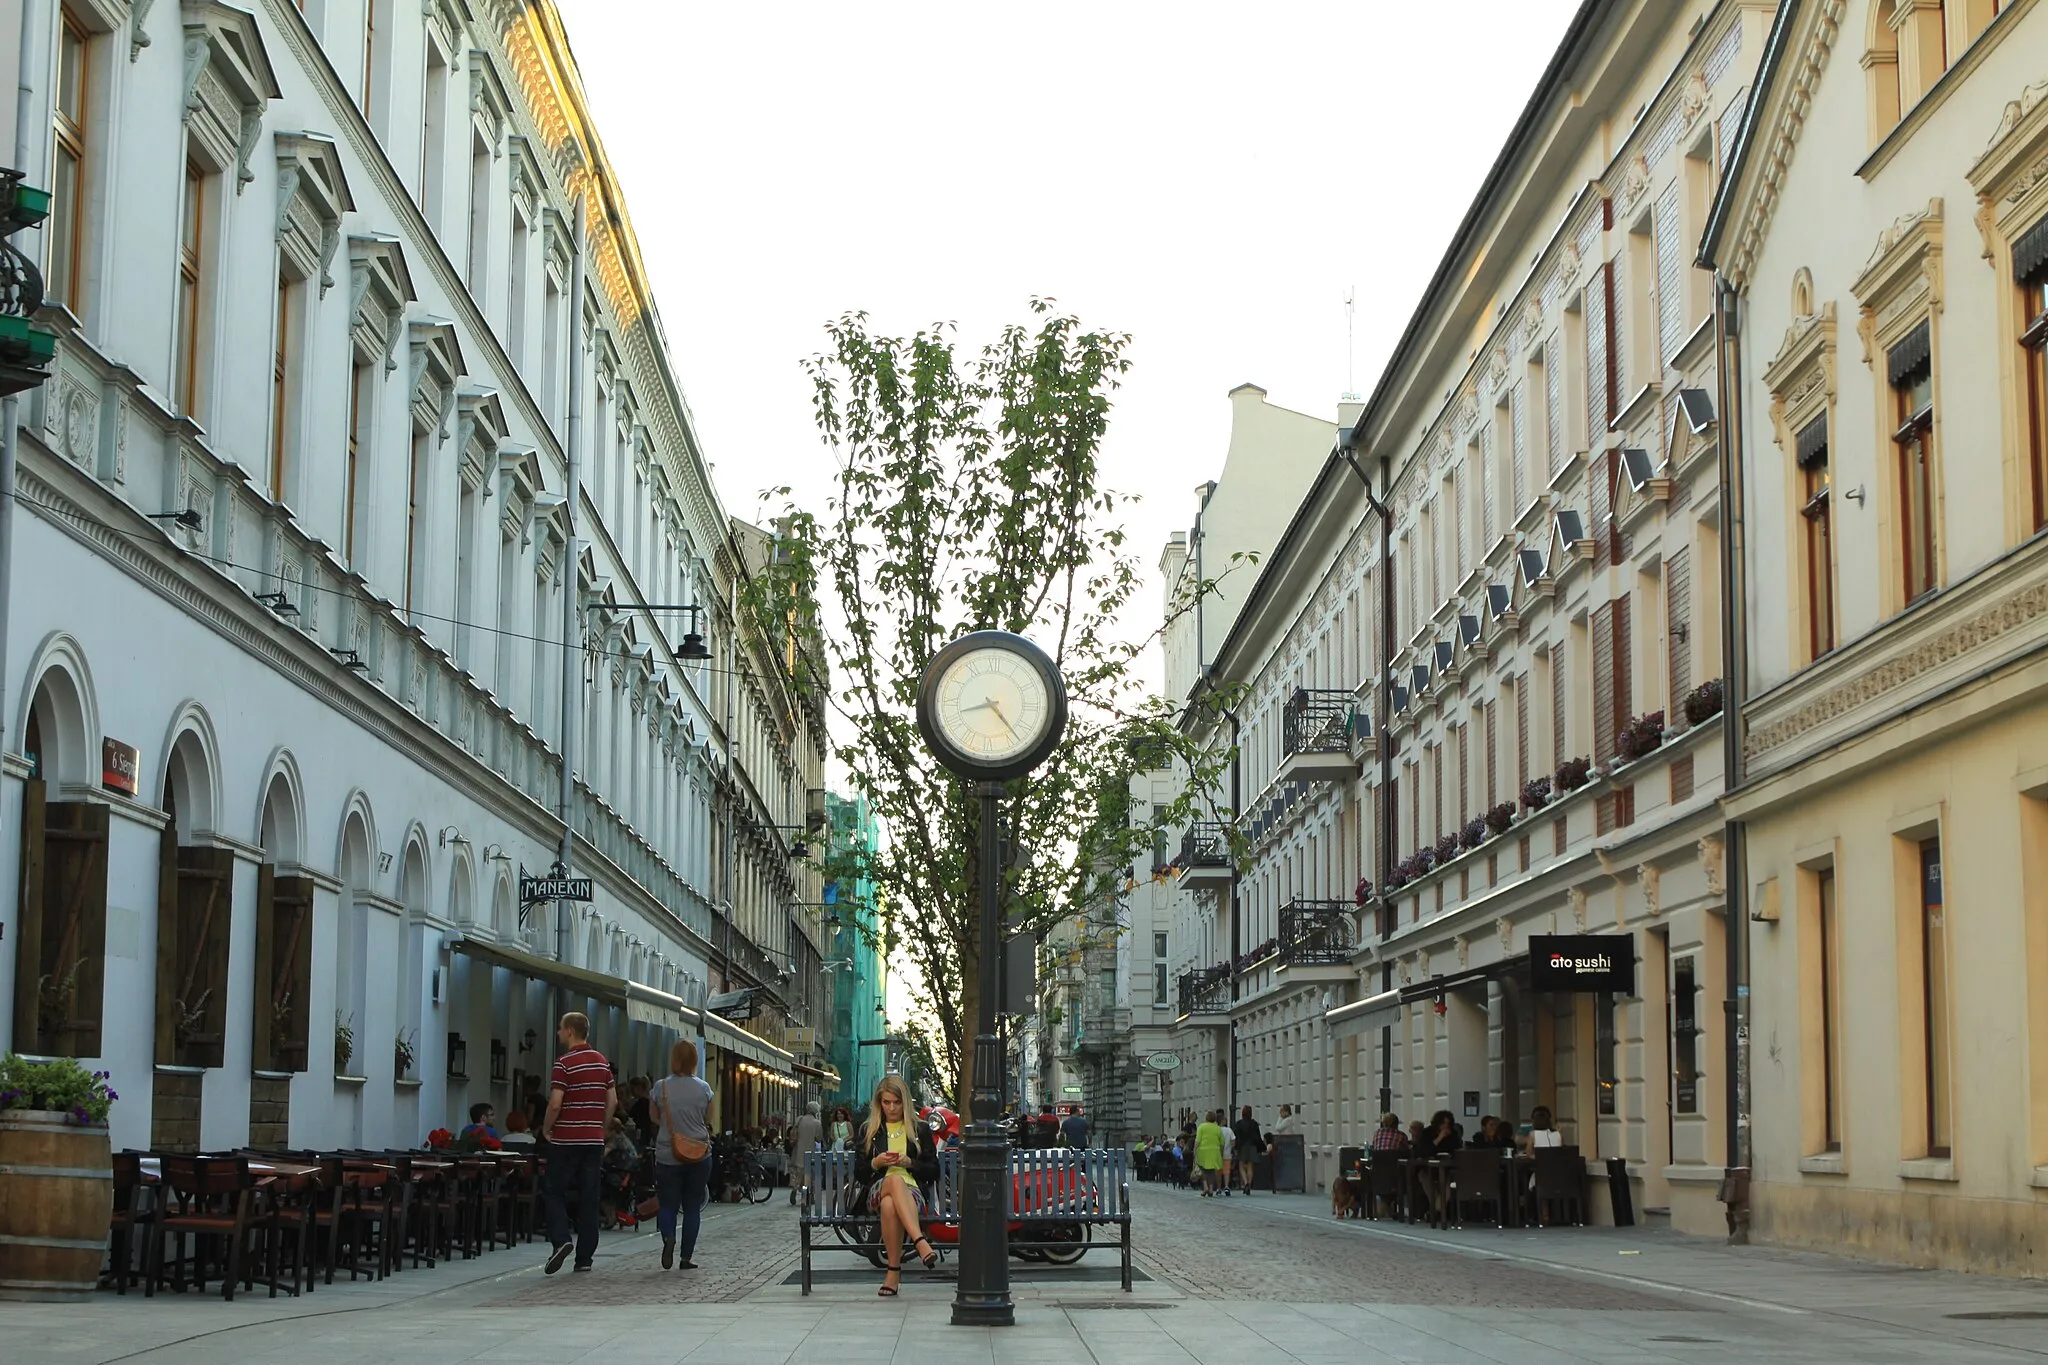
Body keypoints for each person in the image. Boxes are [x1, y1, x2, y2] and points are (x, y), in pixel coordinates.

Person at [541, 1011, 616, 1275]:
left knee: (554, 1191)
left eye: (561, 1029)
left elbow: (555, 1103)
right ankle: (584, 1258)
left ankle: (561, 1240)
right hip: (593, 1141)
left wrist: (546, 1129)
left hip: (566, 1139)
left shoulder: (563, 1064)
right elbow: (613, 1102)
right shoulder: (602, 1063)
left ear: (570, 1031)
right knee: (589, 1196)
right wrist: (601, 1127)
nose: (559, 1033)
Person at [855, 1074, 939, 1297]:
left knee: (890, 1204)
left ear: (905, 1102)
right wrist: (876, 1162)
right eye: (886, 1102)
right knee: (892, 1180)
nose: (891, 1108)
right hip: (877, 1187)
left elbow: (934, 1170)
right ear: (879, 1103)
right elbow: (860, 1174)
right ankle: (920, 1241)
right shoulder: (870, 1130)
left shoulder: (919, 1129)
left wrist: (910, 1162)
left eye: (897, 1102)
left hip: (912, 1193)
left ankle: (893, 1273)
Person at [651, 1037, 714, 1270]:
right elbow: (708, 1119)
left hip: (668, 1152)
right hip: (698, 1153)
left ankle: (668, 1236)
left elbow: (654, 1117)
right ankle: (686, 1257)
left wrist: (671, 1126)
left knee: (667, 1204)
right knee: (691, 1207)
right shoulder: (704, 1088)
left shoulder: (661, 1087)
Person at [789, 1101, 824, 1206]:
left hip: (798, 1150)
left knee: (797, 1173)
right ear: (816, 1111)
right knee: (809, 1175)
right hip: (810, 1152)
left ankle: (795, 1189)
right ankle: (809, 1196)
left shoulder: (799, 1119)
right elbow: (819, 1139)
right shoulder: (817, 1123)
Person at [1232, 1106, 1266, 1194]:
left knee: (1241, 1166)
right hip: (1252, 1146)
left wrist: (1236, 1147)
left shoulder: (1238, 1124)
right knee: (1250, 1166)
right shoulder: (1254, 1124)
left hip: (1242, 1146)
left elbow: (1235, 1136)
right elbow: (1257, 1137)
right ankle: (1249, 1185)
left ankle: (1245, 1182)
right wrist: (1261, 1147)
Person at [1193, 1110, 1226, 1196]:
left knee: (1203, 1170)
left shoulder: (1201, 1127)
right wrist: (1221, 1152)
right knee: (1211, 1171)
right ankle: (1211, 1189)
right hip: (1214, 1152)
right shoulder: (1217, 1128)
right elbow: (1222, 1142)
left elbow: (1197, 1141)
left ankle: (1205, 1187)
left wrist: (1195, 1150)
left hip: (1203, 1151)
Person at [625, 1076, 656, 1151]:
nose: (631, 1093)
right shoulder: (649, 1102)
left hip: (641, 1132)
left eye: (632, 1090)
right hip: (647, 1132)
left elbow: (631, 1116)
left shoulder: (641, 1103)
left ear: (638, 1088)